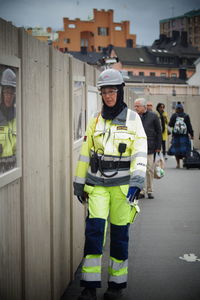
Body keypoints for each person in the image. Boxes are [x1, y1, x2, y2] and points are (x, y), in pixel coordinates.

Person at [73, 69, 147, 300]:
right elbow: (85, 154)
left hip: (123, 188)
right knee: (94, 232)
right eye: (104, 92)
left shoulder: (134, 120)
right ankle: (89, 285)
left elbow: (140, 154)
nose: (108, 96)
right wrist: (79, 183)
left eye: (112, 91)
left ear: (120, 91)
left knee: (119, 234)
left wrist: (137, 182)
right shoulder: (95, 119)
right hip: (97, 185)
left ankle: (116, 284)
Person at [134, 98, 162, 199]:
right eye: (135, 106)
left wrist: (158, 147)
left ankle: (150, 190)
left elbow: (159, 132)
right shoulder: (134, 116)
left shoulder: (153, 116)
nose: (135, 108)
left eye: (137, 106)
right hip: (137, 147)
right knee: (139, 170)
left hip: (150, 147)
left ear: (144, 107)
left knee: (149, 169)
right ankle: (141, 191)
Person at [168, 102, 194, 168]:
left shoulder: (174, 116)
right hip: (184, 136)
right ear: (182, 108)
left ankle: (178, 164)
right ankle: (185, 162)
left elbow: (170, 125)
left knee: (177, 150)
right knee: (185, 150)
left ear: (176, 108)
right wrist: (192, 134)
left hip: (176, 135)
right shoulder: (186, 116)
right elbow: (189, 126)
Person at [0, 68, 16, 174]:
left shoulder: (18, 116)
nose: (8, 97)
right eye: (6, 92)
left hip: (14, 171)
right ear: (2, 93)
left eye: (11, 93)